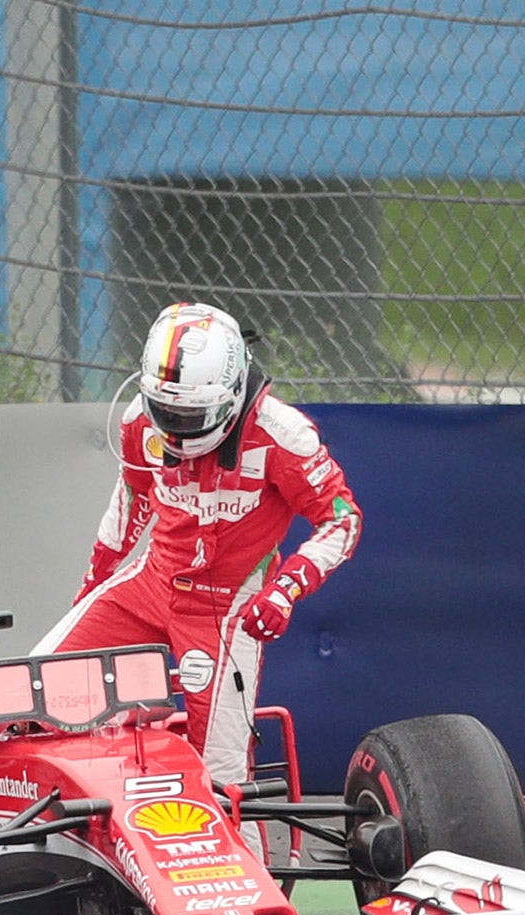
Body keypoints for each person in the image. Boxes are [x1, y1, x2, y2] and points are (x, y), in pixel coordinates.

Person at [33, 301, 362, 790]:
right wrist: (93, 585)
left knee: (224, 778)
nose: (171, 426)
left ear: (229, 396)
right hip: (150, 582)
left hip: (229, 605)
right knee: (28, 695)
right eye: (163, 410)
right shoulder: (136, 423)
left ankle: (245, 857)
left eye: (188, 414)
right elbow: (129, 504)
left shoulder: (284, 436)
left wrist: (285, 589)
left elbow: (343, 520)